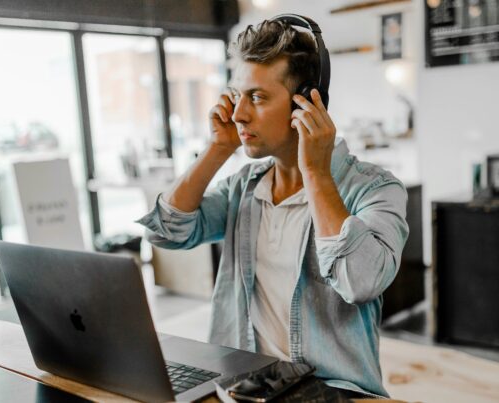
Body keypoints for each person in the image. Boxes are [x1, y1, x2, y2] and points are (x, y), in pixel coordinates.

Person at [137, 16, 408, 398]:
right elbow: (164, 231)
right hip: (242, 387)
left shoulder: (375, 189)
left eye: (258, 97)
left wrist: (315, 171)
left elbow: (360, 282)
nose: (238, 114)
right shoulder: (243, 189)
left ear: (308, 103)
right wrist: (218, 149)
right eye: (237, 96)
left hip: (331, 393)